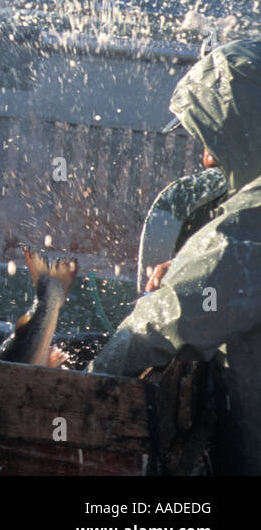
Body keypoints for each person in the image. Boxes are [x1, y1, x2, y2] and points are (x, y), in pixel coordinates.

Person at [90, 40, 261, 474]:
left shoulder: (247, 226)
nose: (205, 159)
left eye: (212, 140)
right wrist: (192, 269)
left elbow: (163, 322)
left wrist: (84, 381)